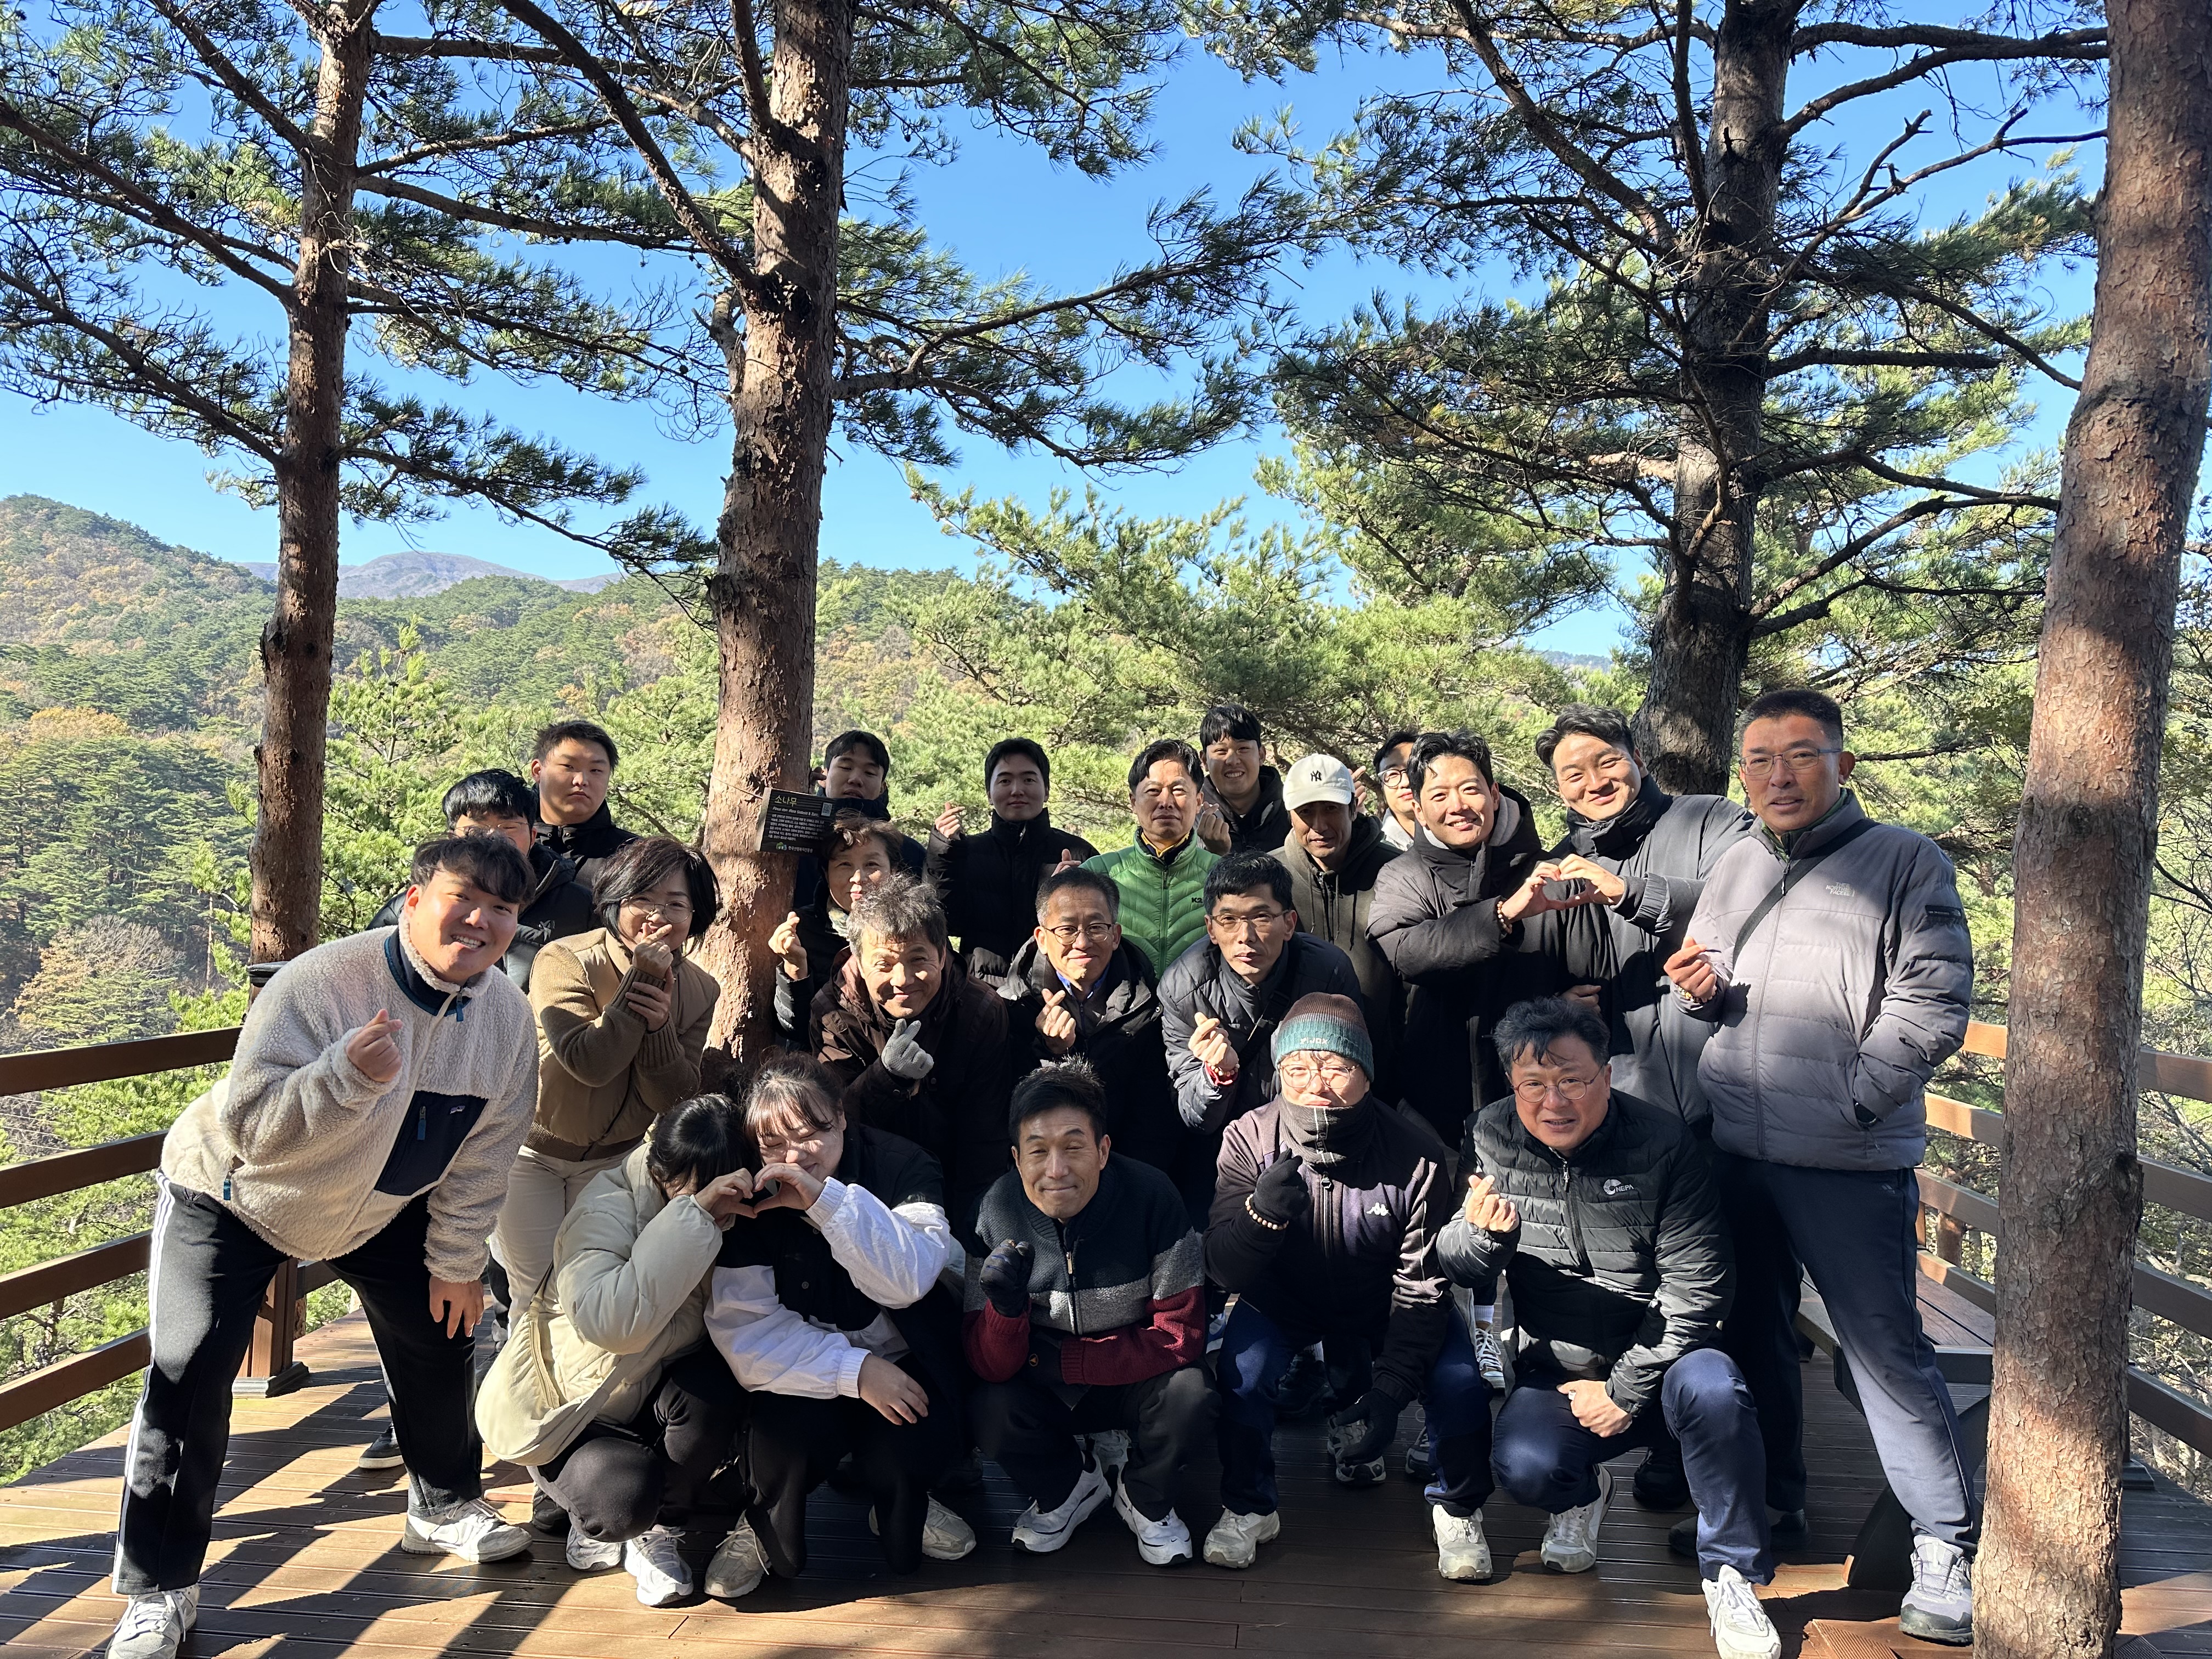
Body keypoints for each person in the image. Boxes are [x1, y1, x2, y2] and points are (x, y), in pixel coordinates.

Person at [108, 836, 541, 1659]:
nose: (480, 921)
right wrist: (345, 1076)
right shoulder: (321, 983)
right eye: (463, 898)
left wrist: (456, 1262)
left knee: (443, 1327)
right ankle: (160, 1588)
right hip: (236, 1194)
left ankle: (443, 1504)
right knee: (189, 1371)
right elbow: (252, 1129)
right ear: (414, 900)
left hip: (376, 1207)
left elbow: (487, 1151)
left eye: (502, 909)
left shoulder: (506, 1021)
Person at [1664, 686, 1977, 1645]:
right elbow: (1713, 981)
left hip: (1846, 1156)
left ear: (1842, 764)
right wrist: (1700, 990)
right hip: (1738, 1149)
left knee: (1883, 1353)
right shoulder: (1738, 861)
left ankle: (1945, 1541)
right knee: (1752, 1339)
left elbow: (1934, 998)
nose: (1779, 775)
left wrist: (1856, 1097)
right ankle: (1774, 1502)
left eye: (1800, 755)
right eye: (1760, 759)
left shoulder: (1904, 859)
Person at [1436, 998, 1780, 1659]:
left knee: (1718, 1391)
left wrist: (1624, 1391)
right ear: (1511, 1084)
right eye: (1533, 1084)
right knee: (1526, 1468)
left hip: (1667, 1361)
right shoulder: (1488, 1134)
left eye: (1572, 1080)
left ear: (1607, 1074)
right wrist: (1484, 1238)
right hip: (1560, 1367)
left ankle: (1732, 1576)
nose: (1553, 1101)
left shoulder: (1664, 1143)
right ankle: (1582, 1495)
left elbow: (1700, 1286)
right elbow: (1455, 1258)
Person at [1519, 706, 1754, 1512]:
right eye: (1572, 774)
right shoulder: (1564, 861)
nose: (1593, 782)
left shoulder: (1710, 821)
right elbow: (1548, 971)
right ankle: (1662, 1443)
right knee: (1639, 1284)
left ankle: (1767, 1492)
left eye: (1605, 761)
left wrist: (1626, 891)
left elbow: (1749, 903)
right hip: (1619, 1109)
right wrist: (1562, 1001)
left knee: (1733, 1297)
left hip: (1722, 1103)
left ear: (1638, 757)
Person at [1201, 994, 1485, 1581]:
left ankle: (1458, 1507)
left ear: (1367, 1073)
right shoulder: (1248, 1137)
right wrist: (1260, 1217)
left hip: (1386, 1301)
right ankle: (1249, 1505)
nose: (1317, 1085)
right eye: (1298, 1068)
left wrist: (1390, 1393)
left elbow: (1421, 1285)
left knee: (1459, 1382)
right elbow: (1224, 1269)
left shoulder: (1417, 1154)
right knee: (1241, 1374)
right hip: (1283, 1300)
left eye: (1336, 1067)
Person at [483, 1096, 760, 1606]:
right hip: (573, 1412)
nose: (718, 1204)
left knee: (716, 1386)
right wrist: (694, 1217)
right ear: (659, 1171)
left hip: (649, 1393)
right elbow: (614, 1326)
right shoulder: (604, 1209)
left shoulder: (733, 1218)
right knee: (621, 1501)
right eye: (692, 1190)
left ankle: (661, 1529)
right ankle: (593, 1510)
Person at [706, 1056, 974, 1579]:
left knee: (913, 1439)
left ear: (842, 1117)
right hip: (801, 1367)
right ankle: (760, 1526)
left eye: (811, 1134)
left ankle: (907, 1502)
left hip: (902, 1353)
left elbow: (909, 1282)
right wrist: (856, 1372)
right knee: (780, 1438)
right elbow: (745, 1332)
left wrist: (824, 1203)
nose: (793, 1157)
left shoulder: (903, 1164)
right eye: (773, 1144)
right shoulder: (747, 1190)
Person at [964, 1063, 1214, 1566]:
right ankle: (1067, 1487)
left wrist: (1071, 1362)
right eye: (1038, 1151)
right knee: (989, 1407)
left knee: (1192, 1394)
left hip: (1130, 1374)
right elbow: (987, 1364)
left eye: (1074, 1147)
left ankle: (1144, 1497)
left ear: (1103, 1150)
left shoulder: (1154, 1198)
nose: (1056, 1169)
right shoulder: (993, 1212)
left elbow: (1182, 1333)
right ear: (1016, 1158)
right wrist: (1006, 1312)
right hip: (1045, 1383)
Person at [499, 836, 723, 1309]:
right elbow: (590, 1064)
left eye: (676, 904)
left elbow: (671, 1098)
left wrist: (659, 1028)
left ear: (695, 915)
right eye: (643, 898)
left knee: (593, 1293)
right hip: (531, 1155)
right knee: (535, 1295)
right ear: (616, 901)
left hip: (614, 1164)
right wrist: (640, 983)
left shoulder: (702, 990)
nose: (657, 916)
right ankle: (516, 1362)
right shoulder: (565, 959)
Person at [1366, 729, 1578, 1149]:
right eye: (1440, 795)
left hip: (1549, 1097)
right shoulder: (1402, 877)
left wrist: (1565, 1008)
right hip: (1437, 1105)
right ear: (1419, 809)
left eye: (1470, 789)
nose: (1458, 806)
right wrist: (1502, 916)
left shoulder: (1548, 872)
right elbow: (1407, 953)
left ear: (1494, 795)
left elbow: (1587, 972)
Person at [810, 877, 1013, 1235]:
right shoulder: (833, 1012)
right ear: (859, 960)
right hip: (868, 1185)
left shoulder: (980, 1010)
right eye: (884, 964)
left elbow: (984, 1138)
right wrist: (886, 1077)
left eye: (918, 959)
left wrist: (973, 1233)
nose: (902, 979)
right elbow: (833, 1126)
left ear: (943, 954)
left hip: (954, 1174)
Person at [1159, 852, 1366, 1190]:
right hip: (1223, 1154)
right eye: (1228, 920)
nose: (1246, 935)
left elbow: (1352, 1079)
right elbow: (1196, 1118)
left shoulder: (1329, 973)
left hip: (1315, 1144)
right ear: (1211, 928)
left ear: (1289, 924)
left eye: (1261, 917)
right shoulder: (1183, 987)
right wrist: (1218, 1075)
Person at [994, 867, 1194, 1205]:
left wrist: (1129, 1192)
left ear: (1115, 935)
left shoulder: (1149, 1006)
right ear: (1041, 938)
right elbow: (1005, 1115)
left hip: (1126, 1180)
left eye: (1096, 928)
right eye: (1067, 930)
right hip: (1041, 1182)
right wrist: (1049, 1052)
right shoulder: (1012, 1006)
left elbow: (1154, 1122)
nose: (1082, 943)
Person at [368, 769, 596, 990]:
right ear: (452, 838)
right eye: (476, 828)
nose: (493, 837)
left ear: (532, 836)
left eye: (509, 827)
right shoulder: (410, 907)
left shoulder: (580, 908)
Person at [1277, 753, 1404, 1099]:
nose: (1319, 824)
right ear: (1290, 815)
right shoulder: (1271, 877)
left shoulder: (1397, 870)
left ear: (1353, 808)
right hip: (1297, 1075)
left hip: (1386, 1072)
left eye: (1331, 808)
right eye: (1306, 812)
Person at [926, 737, 1098, 974]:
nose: (1017, 790)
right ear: (989, 794)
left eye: (1029, 780)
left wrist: (1064, 897)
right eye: (1005, 781)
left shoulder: (1078, 853)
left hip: (1056, 984)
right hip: (982, 988)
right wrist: (943, 854)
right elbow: (944, 923)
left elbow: (1098, 930)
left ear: (1046, 791)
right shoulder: (965, 852)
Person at [1081, 738, 1221, 975]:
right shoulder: (1097, 872)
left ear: (1198, 801)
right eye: (1153, 791)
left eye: (1178, 790)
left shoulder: (1222, 875)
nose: (1166, 802)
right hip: (1121, 999)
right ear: (1133, 802)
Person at [769, 812, 905, 1041]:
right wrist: (795, 967)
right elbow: (796, 1029)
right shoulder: (802, 930)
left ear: (893, 870)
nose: (858, 877)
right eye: (845, 865)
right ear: (826, 873)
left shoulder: (915, 926)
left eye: (872, 864)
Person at [790, 729, 927, 907]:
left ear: (882, 788)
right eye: (846, 768)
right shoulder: (791, 840)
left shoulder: (909, 852)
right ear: (823, 777)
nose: (855, 779)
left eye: (869, 773)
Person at [531, 720, 638, 893]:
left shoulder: (634, 857)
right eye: (569, 766)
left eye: (595, 770)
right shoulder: (508, 842)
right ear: (538, 771)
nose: (581, 781)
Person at [1371, 730, 1422, 851]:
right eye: (1392, 774)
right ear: (1382, 786)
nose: (1406, 782)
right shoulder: (1374, 848)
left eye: (1414, 770)